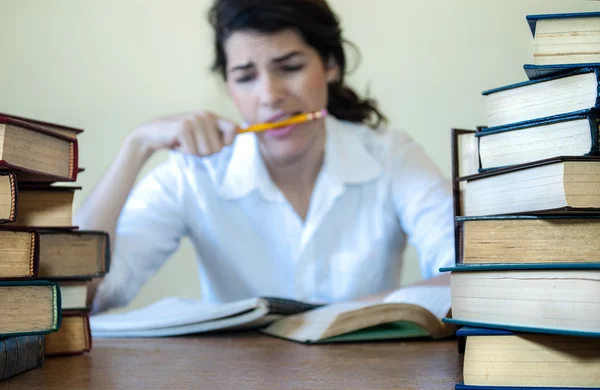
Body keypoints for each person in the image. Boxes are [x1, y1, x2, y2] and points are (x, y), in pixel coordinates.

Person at [77, 0, 455, 314]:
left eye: (290, 68)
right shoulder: (195, 173)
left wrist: (317, 319)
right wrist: (137, 146)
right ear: (228, 85)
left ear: (330, 66)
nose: (270, 95)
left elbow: (470, 278)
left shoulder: (391, 156)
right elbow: (83, 294)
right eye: (245, 76)